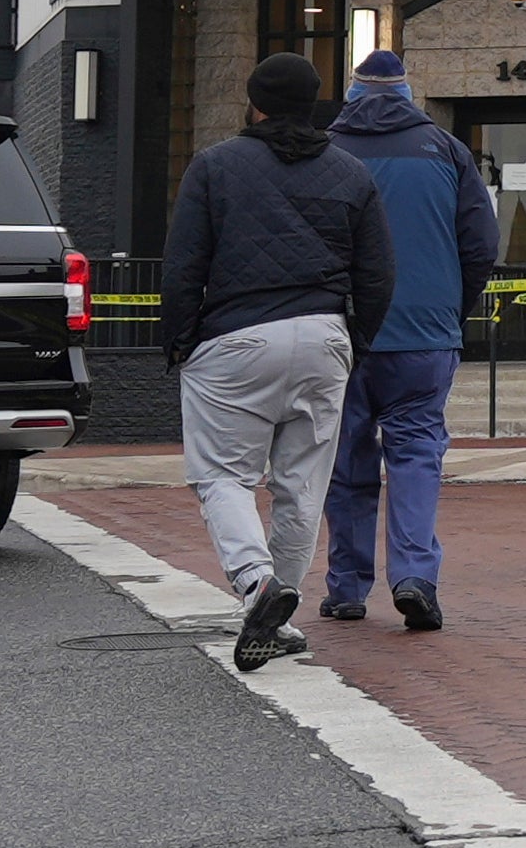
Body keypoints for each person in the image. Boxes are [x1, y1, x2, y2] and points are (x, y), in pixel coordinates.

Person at [164, 50, 399, 671]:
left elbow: (185, 263)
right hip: (324, 338)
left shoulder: (214, 167)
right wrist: (355, 342)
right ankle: (278, 619)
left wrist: (180, 342)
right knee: (302, 488)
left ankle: (255, 583)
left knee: (223, 476)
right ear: (314, 104)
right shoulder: (351, 173)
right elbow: (378, 274)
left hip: (236, 340)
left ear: (254, 103)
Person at [315, 47, 498, 632]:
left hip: (342, 332)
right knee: (417, 454)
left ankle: (346, 586)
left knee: (345, 459)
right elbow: (480, 245)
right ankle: (415, 575)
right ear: (405, 93)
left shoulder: (325, 151)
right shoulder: (445, 150)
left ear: (352, 94)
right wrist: (452, 309)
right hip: (424, 334)